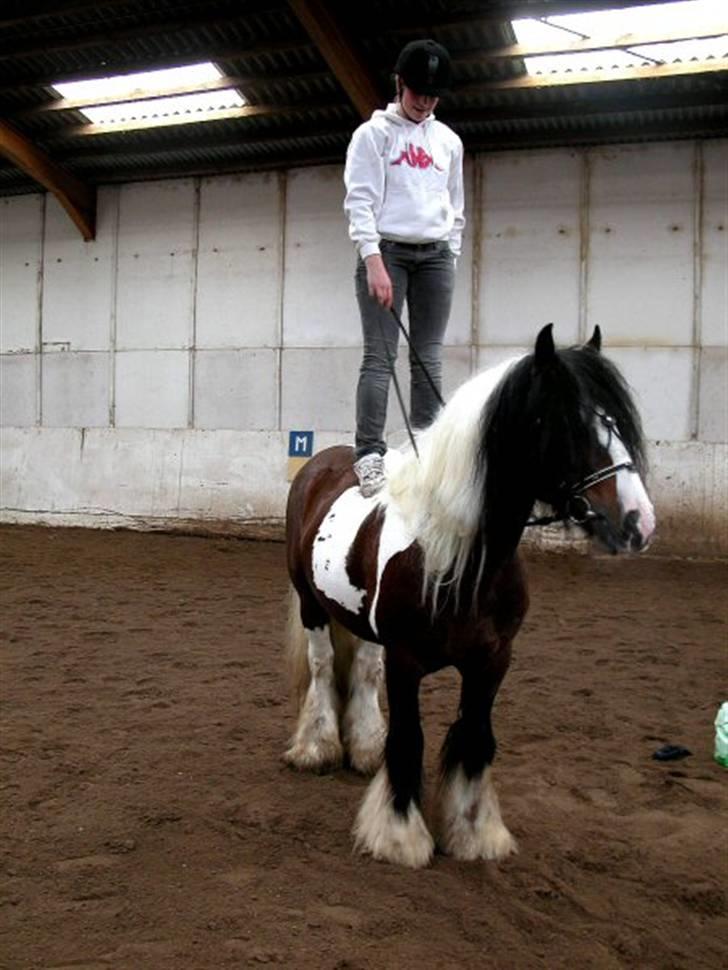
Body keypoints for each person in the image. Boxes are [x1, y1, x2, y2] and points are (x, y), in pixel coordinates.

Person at [343, 38, 465, 497]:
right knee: (380, 357)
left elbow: (456, 206)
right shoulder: (373, 136)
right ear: (400, 84)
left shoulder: (449, 141)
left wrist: (449, 253)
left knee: (428, 356)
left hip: (435, 256)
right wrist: (373, 260)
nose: (425, 101)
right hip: (388, 252)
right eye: (418, 92)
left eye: (433, 95)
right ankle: (369, 455)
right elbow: (360, 200)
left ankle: (427, 453)